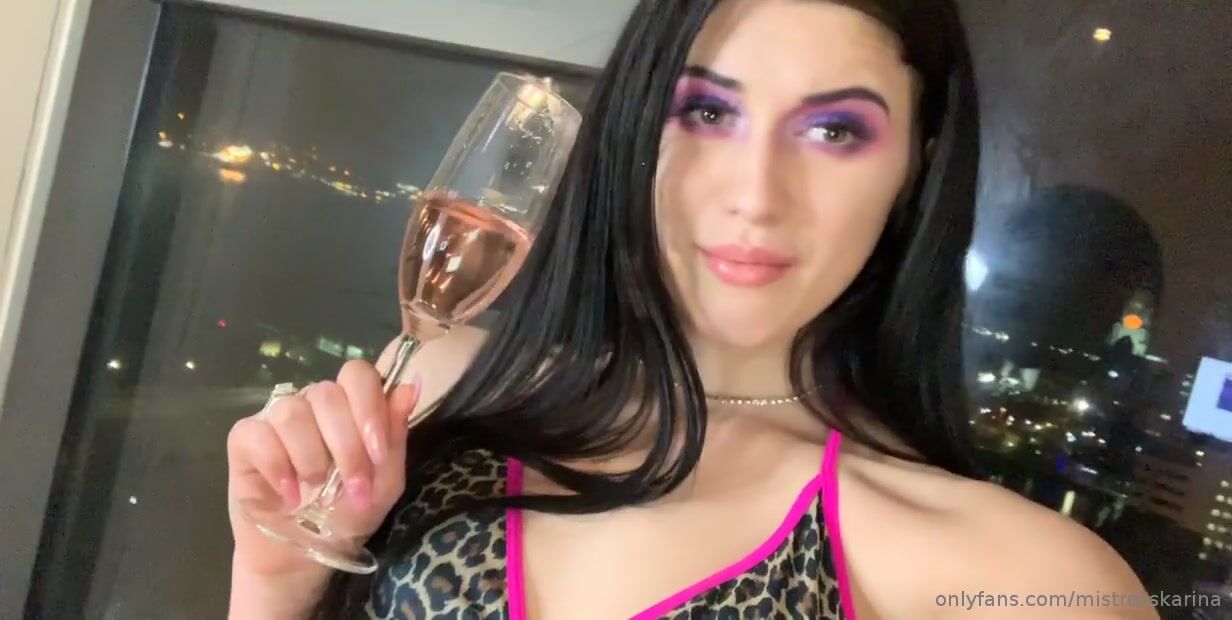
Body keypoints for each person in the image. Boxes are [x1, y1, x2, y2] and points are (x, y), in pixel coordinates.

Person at [227, 0, 1156, 617]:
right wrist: (275, 582)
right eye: (709, 113)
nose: (755, 195)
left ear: (917, 166)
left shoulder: (1018, 583)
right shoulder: (443, 394)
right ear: (636, 128)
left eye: (834, 130)